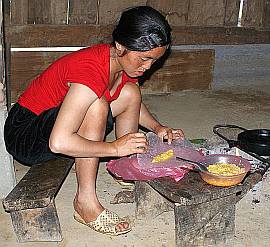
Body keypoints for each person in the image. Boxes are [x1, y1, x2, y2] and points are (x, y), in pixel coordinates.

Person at [4, 6, 184, 236]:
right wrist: (113, 148)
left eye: (154, 61)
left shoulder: (124, 64)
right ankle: (85, 202)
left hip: (55, 124)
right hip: (26, 133)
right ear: (120, 46)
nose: (148, 66)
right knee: (96, 105)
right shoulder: (91, 70)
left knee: (130, 93)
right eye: (144, 58)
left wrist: (158, 127)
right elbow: (58, 142)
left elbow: (131, 103)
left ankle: (126, 167)